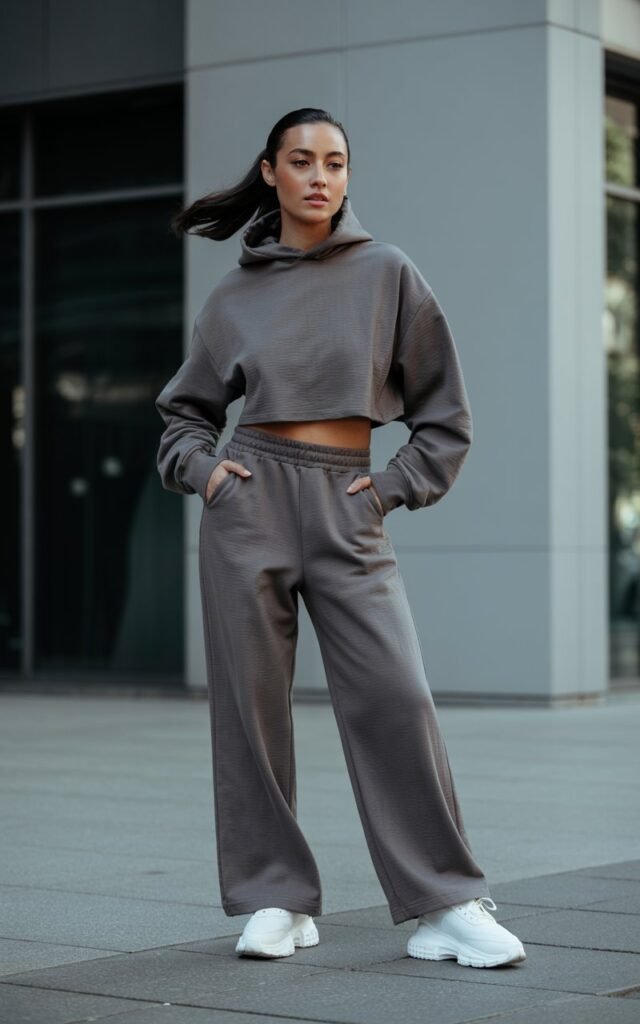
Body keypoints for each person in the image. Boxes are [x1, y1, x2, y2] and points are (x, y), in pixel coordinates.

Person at [155, 107, 526, 969]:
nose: (320, 176)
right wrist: (205, 472)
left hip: (347, 501)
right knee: (249, 710)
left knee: (397, 696)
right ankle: (275, 897)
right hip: (249, 499)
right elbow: (183, 413)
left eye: (334, 162)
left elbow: (444, 418)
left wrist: (394, 488)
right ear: (272, 171)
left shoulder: (389, 273)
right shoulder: (235, 295)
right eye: (301, 161)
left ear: (348, 175)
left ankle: (445, 902)